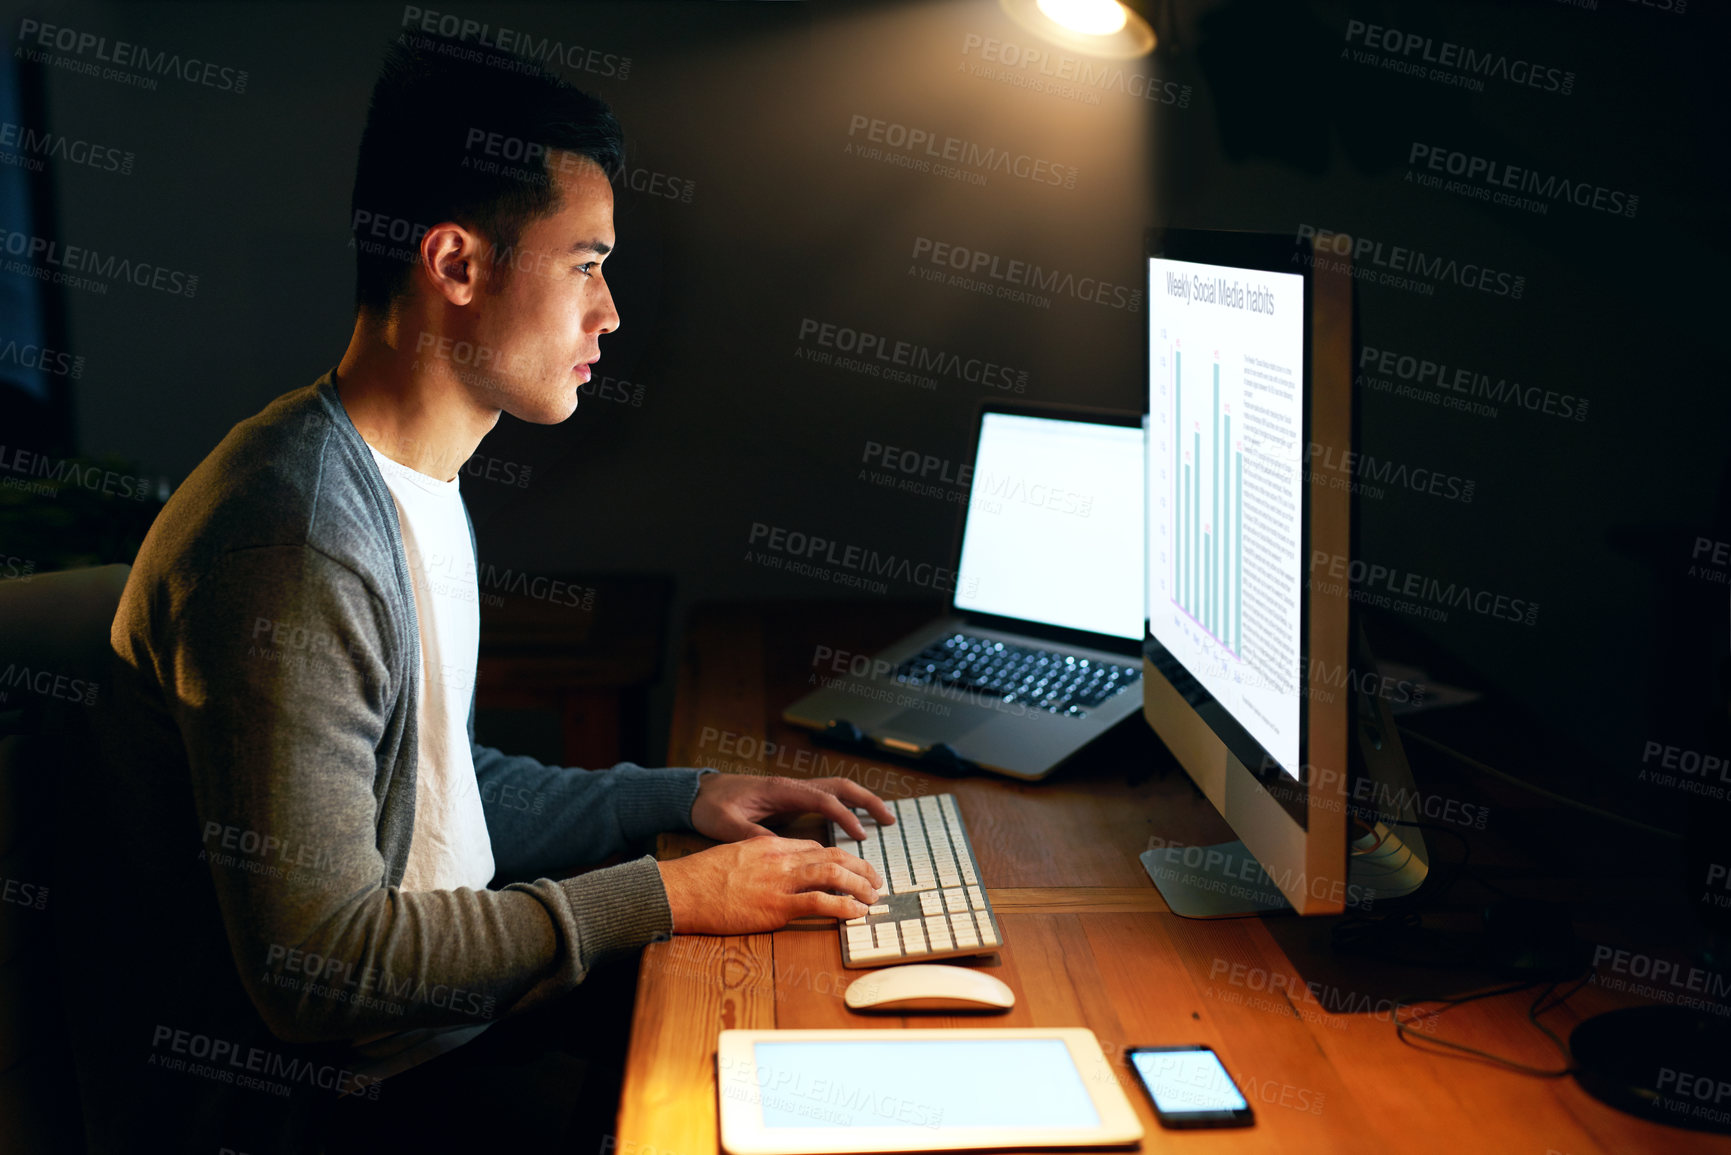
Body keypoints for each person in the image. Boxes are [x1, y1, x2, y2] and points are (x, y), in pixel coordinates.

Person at [76, 30, 889, 1154]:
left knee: (825, 1014)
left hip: (445, 1038)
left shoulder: (409, 476)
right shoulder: (297, 544)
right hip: (338, 1108)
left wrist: (682, 799)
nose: (609, 315)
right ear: (457, 266)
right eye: (586, 264)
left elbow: (428, 793)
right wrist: (667, 897)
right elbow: (324, 969)